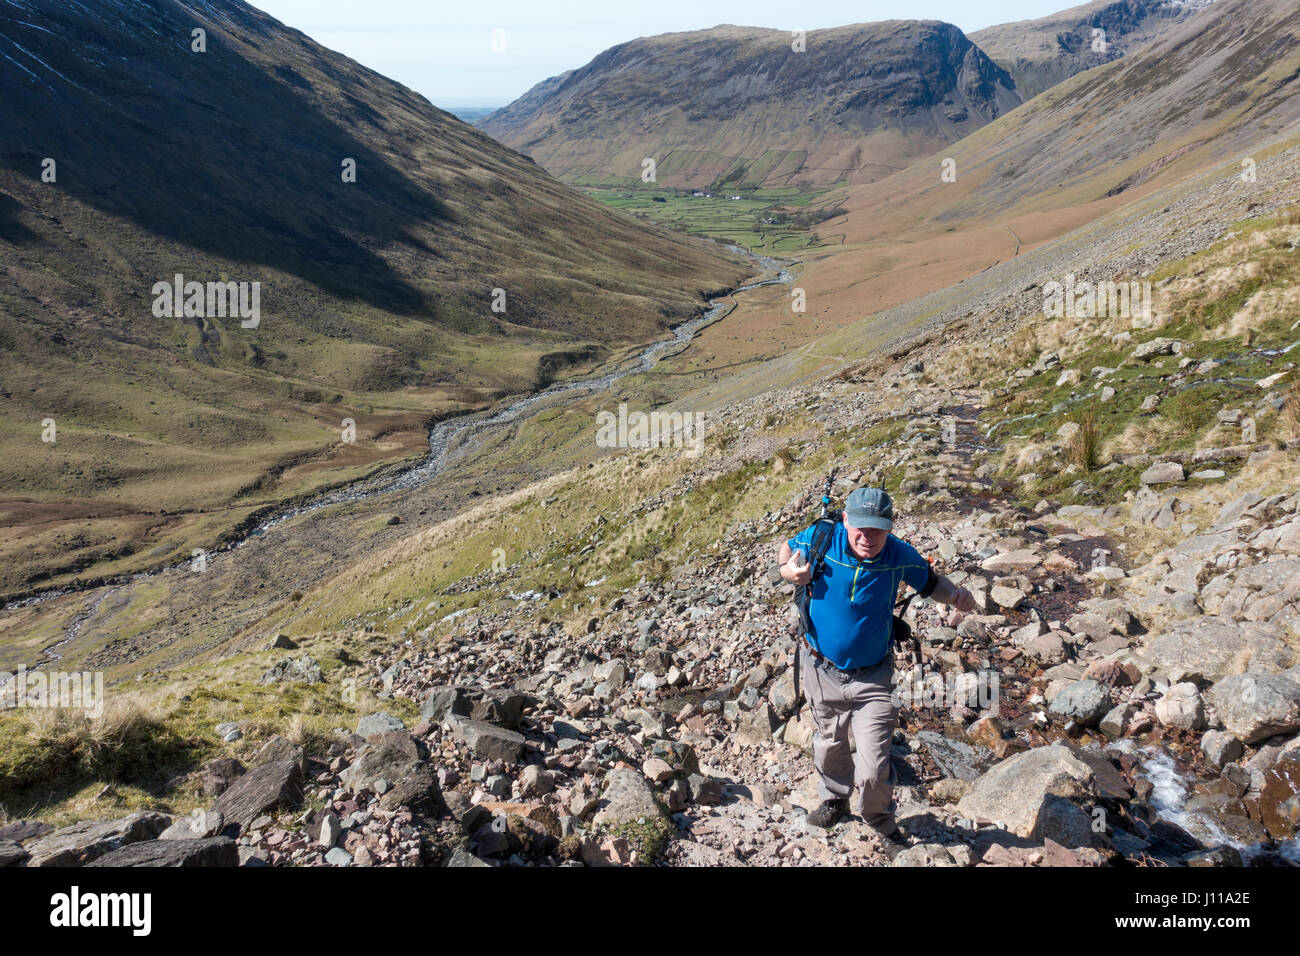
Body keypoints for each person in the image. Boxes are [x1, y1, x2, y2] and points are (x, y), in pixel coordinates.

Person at [777, 486, 976, 842]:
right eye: (860, 528)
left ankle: (881, 820)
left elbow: (932, 584)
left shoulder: (900, 554)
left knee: (873, 766)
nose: (868, 538)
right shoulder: (824, 537)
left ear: (890, 526)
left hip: (874, 676)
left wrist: (956, 596)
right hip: (820, 666)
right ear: (845, 520)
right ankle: (835, 799)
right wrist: (787, 571)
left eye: (877, 530)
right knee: (829, 740)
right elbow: (788, 548)